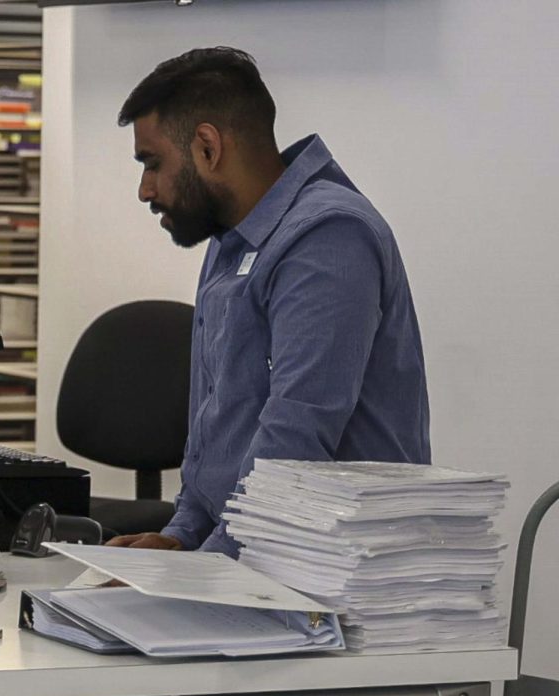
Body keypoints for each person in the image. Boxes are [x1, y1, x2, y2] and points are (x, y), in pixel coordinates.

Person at [108, 47, 429, 557]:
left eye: (153, 163)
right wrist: (180, 534)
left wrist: (204, 568)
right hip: (255, 558)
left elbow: (297, 437)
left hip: (335, 571)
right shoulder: (231, 237)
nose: (145, 189)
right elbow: (215, 422)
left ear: (208, 147)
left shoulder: (329, 235)